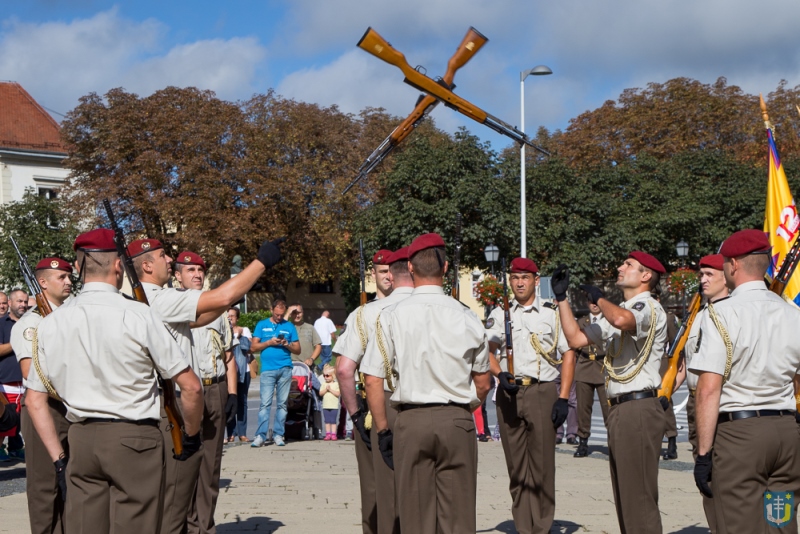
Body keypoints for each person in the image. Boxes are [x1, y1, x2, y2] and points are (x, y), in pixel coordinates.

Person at [24, 228, 205, 534]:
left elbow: (34, 400)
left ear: (78, 267)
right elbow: (191, 386)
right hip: (134, 438)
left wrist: (59, 459)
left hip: (81, 438)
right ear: (119, 265)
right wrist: (191, 434)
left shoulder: (51, 322)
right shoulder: (139, 315)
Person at [129, 235, 283, 534]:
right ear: (146, 266)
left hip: (194, 392)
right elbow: (221, 299)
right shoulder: (158, 298)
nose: (169, 259)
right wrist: (260, 262)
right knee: (177, 484)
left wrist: (238, 289)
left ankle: (200, 526)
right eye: (163, 256)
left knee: (194, 472)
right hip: (178, 396)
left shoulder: (148, 298)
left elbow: (204, 316)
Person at [362, 233, 491, 534]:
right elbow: (483, 382)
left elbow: (372, 379)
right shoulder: (467, 316)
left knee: (415, 518)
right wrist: (464, 408)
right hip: (456, 418)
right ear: (445, 268)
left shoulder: (390, 316)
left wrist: (383, 430)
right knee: (459, 519)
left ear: (410, 267)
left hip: (412, 420)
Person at [690, 230, 800, 532]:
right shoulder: (792, 314)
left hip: (741, 434)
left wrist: (703, 454)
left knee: (739, 524)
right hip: (786, 431)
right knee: (780, 522)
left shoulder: (721, 314)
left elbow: (708, 389)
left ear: (734, 264)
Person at [553, 251, 668, 534]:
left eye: (628, 265)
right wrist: (562, 299)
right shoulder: (622, 309)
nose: (620, 267)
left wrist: (599, 298)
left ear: (645, 276)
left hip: (638, 406)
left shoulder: (647, 306)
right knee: (626, 495)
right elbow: (576, 338)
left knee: (639, 498)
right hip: (620, 407)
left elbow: (622, 321)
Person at [485, 257, 577, 534]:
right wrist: (499, 373)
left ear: (536, 280)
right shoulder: (500, 313)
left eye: (525, 277)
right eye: (515, 277)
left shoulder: (552, 312)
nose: (519, 283)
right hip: (510, 393)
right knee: (516, 466)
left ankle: (542, 526)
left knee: (543, 465)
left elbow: (568, 353)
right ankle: (524, 526)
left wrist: (563, 397)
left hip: (541, 390)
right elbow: (488, 350)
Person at [335, 247, 400, 534]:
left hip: (377, 403)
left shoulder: (363, 315)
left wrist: (355, 414)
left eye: (391, 271)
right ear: (373, 275)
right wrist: (357, 415)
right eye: (382, 271)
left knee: (376, 483)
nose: (387, 276)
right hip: (390, 401)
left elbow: (344, 369)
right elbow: (343, 370)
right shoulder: (364, 314)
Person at [173, 251, 236, 534]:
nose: (197, 274)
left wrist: (232, 394)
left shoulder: (217, 309)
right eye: (190, 270)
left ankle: (204, 526)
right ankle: (183, 524)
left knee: (211, 464)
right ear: (177, 275)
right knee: (184, 461)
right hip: (184, 392)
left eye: (200, 270)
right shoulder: (169, 305)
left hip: (214, 387)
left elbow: (228, 355)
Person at [11, 258, 72, 534]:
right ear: (43, 283)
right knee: (45, 486)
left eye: (69, 276)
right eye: (61, 277)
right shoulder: (30, 324)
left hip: (73, 408)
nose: (69, 281)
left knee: (73, 484)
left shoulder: (70, 316)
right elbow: (30, 372)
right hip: (45, 408)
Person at [673, 254, 727, 533]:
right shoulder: (697, 315)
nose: (702, 280)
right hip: (696, 400)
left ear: (727, 276)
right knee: (704, 474)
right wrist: (665, 392)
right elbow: (686, 361)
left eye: (709, 274)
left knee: (726, 472)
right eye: (701, 275)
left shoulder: (732, 312)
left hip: (722, 399)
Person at [251, 300, 300, 447]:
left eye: (281, 315)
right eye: (277, 314)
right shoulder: (262, 325)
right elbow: (253, 347)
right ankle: (260, 435)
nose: (279, 317)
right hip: (268, 369)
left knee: (282, 404)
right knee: (265, 404)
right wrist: (268, 343)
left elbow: (298, 349)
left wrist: (287, 344)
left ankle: (279, 434)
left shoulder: (289, 326)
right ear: (271, 310)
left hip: (285, 368)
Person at [572, 302, 609, 458]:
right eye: (591, 302)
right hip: (585, 367)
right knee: (583, 408)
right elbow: (574, 346)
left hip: (603, 366)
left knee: (608, 408)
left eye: (596, 301)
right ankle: (583, 441)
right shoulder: (581, 322)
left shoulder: (608, 320)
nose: (594, 305)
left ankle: (613, 441)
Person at [0, 288, 28, 461]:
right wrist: (17, 342)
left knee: (21, 423)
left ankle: (16, 448)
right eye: (19, 301)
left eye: (25, 301)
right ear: (10, 303)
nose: (23, 305)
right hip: (6, 384)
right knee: (4, 422)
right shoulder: (1, 324)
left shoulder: (31, 323)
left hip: (27, 383)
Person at [656, 292, 680, 460]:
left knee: (665, 403)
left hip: (662, 364)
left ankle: (672, 441)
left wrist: (673, 368)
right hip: (645, 365)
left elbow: (675, 344)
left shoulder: (667, 318)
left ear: (658, 298)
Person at [227, 307, 253, 442]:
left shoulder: (245, 330)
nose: (230, 318)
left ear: (237, 318)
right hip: (228, 371)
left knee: (242, 401)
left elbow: (247, 348)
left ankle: (242, 432)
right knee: (229, 401)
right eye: (228, 316)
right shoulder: (223, 330)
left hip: (243, 371)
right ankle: (230, 433)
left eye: (232, 315)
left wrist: (240, 336)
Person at [320, 364, 341, 440]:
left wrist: (330, 390)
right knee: (327, 421)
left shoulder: (336, 384)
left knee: (333, 421)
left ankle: (333, 434)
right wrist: (326, 389)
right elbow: (320, 393)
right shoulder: (324, 384)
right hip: (326, 406)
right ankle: (328, 434)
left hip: (334, 406)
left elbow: (338, 394)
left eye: (327, 375)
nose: (325, 377)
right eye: (324, 375)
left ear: (333, 376)